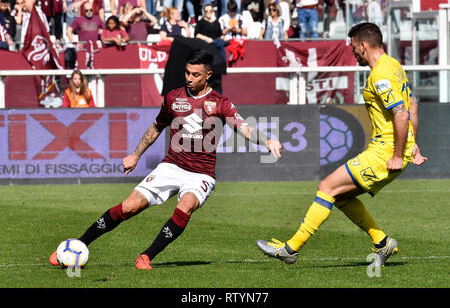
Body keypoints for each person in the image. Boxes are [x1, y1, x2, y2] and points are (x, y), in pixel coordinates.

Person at [49, 49, 283, 269]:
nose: (189, 78)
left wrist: (267, 140)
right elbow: (156, 127)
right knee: (130, 207)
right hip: (171, 165)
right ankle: (77, 245)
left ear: (208, 75)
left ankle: (146, 256)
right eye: (187, 73)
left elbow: (244, 128)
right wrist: (135, 155)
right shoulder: (173, 97)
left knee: (186, 205)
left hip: (201, 173)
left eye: (195, 74)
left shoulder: (220, 103)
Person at [256, 22, 428, 268]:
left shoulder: (380, 74)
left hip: (385, 153)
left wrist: (399, 153)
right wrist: (413, 144)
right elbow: (413, 106)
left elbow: (401, 113)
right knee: (340, 197)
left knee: (326, 187)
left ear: (363, 45)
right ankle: (382, 242)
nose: (352, 52)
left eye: (353, 47)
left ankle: (290, 249)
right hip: (391, 149)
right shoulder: (394, 66)